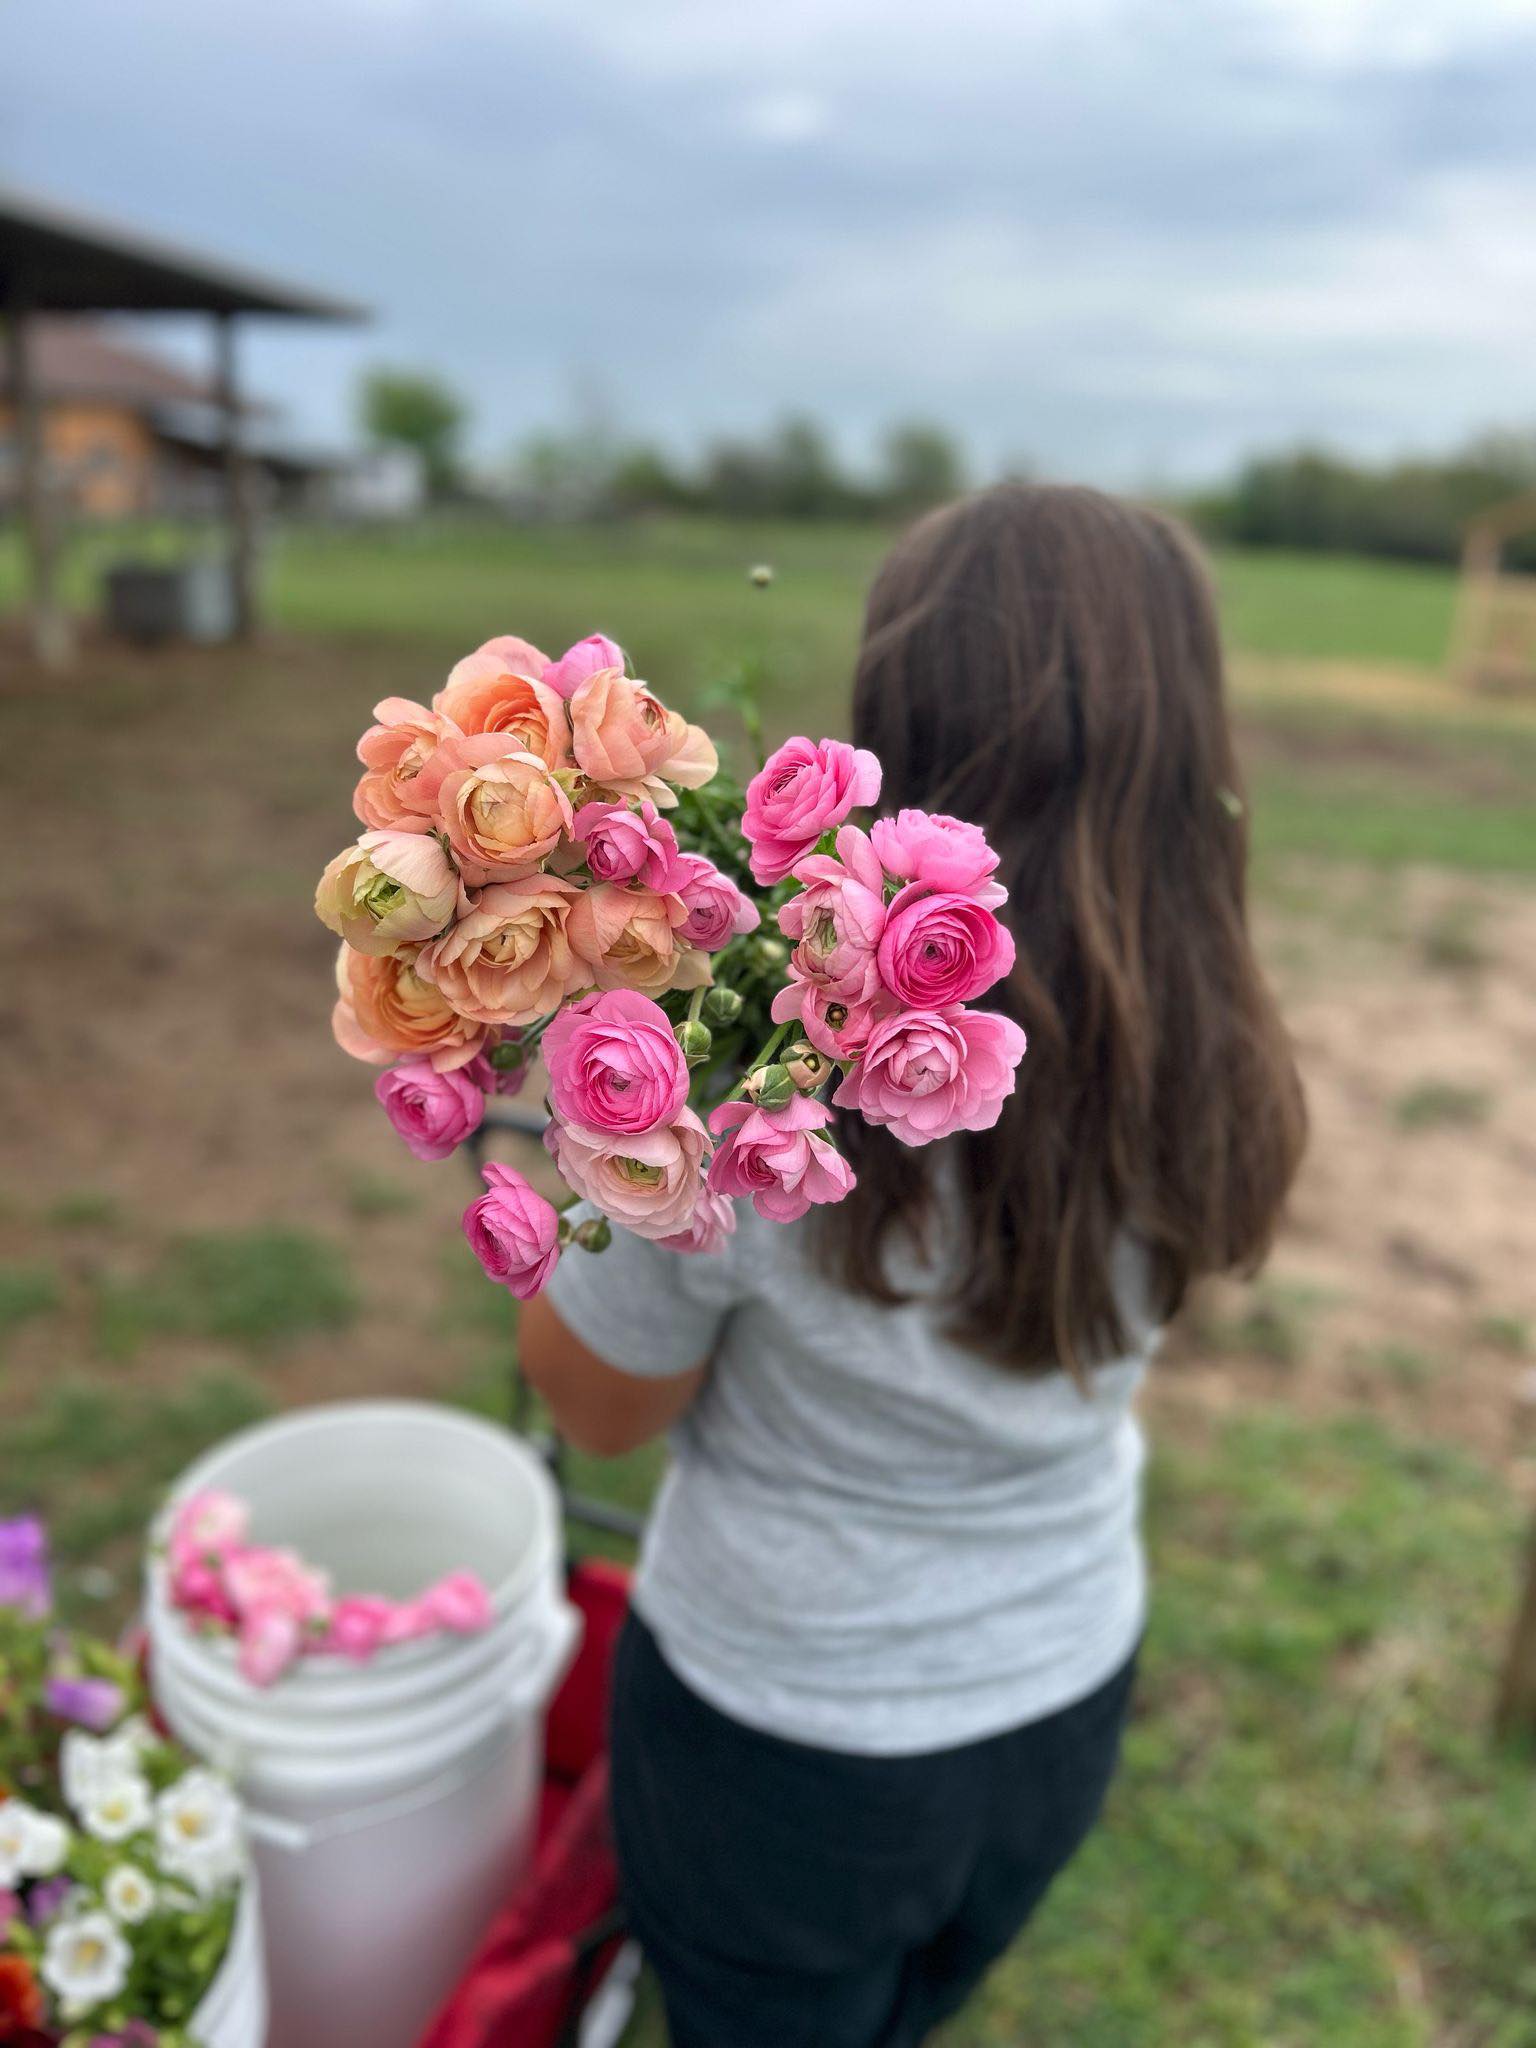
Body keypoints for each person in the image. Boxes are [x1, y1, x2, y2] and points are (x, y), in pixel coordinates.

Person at [521, 482, 1307, 2048]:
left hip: (782, 1749)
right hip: (1061, 1696)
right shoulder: (1213, 1046)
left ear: (895, 714)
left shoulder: (755, 1085)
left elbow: (596, 1413)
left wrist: (581, 1158)